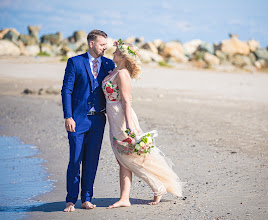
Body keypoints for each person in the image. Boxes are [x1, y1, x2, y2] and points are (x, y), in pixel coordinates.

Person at [102, 39, 182, 208]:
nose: (113, 52)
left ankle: (157, 186)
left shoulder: (122, 74)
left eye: (117, 51)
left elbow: (127, 101)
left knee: (132, 156)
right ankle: (125, 198)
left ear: (123, 57)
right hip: (114, 118)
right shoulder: (114, 70)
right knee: (123, 159)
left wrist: (130, 125)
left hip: (122, 118)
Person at [61, 30, 115, 212]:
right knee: (75, 160)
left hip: (98, 120)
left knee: (92, 161)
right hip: (77, 120)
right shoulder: (75, 62)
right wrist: (68, 116)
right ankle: (70, 200)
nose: (104, 48)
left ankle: (86, 199)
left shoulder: (109, 64)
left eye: (105, 45)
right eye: (102, 45)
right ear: (91, 44)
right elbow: (66, 91)